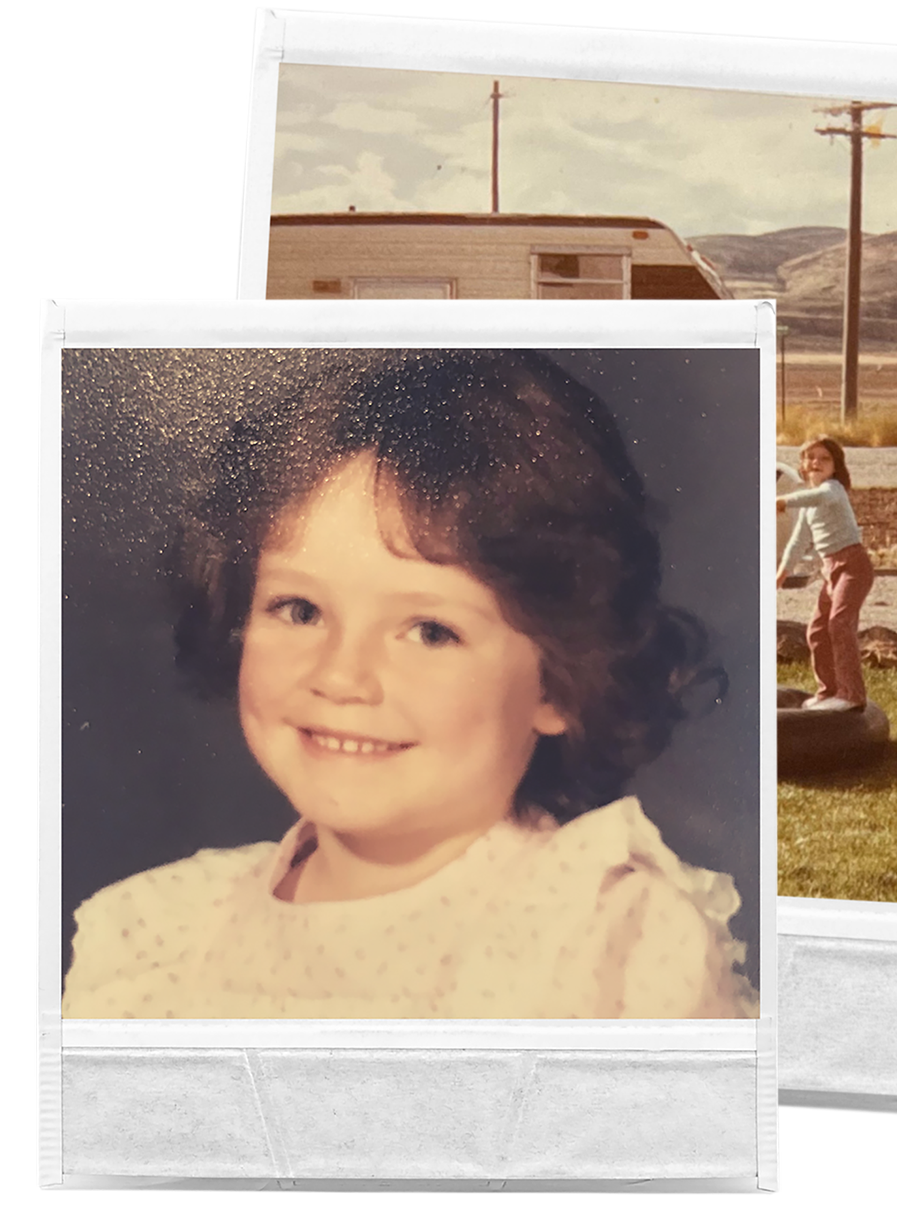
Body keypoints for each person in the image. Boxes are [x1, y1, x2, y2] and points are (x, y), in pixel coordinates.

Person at [62, 351, 757, 1021]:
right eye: (299, 610)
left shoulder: (616, 945)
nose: (341, 677)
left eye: (430, 630)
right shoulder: (150, 933)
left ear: (561, 682)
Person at [775, 436, 875, 713]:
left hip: (853, 566)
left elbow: (819, 495)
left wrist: (781, 502)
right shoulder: (808, 504)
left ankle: (852, 695)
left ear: (835, 467)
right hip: (830, 571)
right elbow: (798, 541)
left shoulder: (833, 490)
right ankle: (829, 691)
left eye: (824, 458)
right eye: (810, 458)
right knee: (817, 632)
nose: (816, 462)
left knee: (840, 624)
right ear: (803, 465)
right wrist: (782, 573)